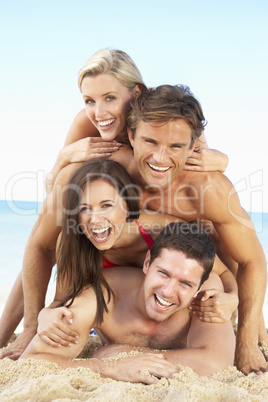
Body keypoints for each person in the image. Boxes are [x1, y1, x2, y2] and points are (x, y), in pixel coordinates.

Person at [0, 49, 229, 356]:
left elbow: (199, 164)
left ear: (136, 94)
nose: (99, 112)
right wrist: (64, 159)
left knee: (215, 232)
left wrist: (223, 160)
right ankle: (12, 333)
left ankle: (253, 331)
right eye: (89, 100)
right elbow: (60, 190)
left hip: (147, 229)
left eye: (109, 98)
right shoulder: (85, 123)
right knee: (51, 241)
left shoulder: (165, 123)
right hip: (107, 225)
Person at [21, 222, 235, 383]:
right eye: (163, 273)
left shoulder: (207, 297)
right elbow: (32, 360)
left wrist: (126, 353)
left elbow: (217, 363)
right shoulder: (103, 295)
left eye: (186, 284)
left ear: (199, 286)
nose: (168, 292)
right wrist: (109, 368)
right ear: (147, 262)